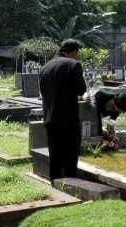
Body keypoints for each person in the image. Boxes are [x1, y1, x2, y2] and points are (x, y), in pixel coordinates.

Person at [40, 39, 87, 180]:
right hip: (68, 119)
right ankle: (71, 184)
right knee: (70, 156)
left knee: (55, 154)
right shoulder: (74, 65)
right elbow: (82, 89)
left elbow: (43, 91)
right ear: (74, 51)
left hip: (50, 117)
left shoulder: (45, 66)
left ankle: (55, 182)